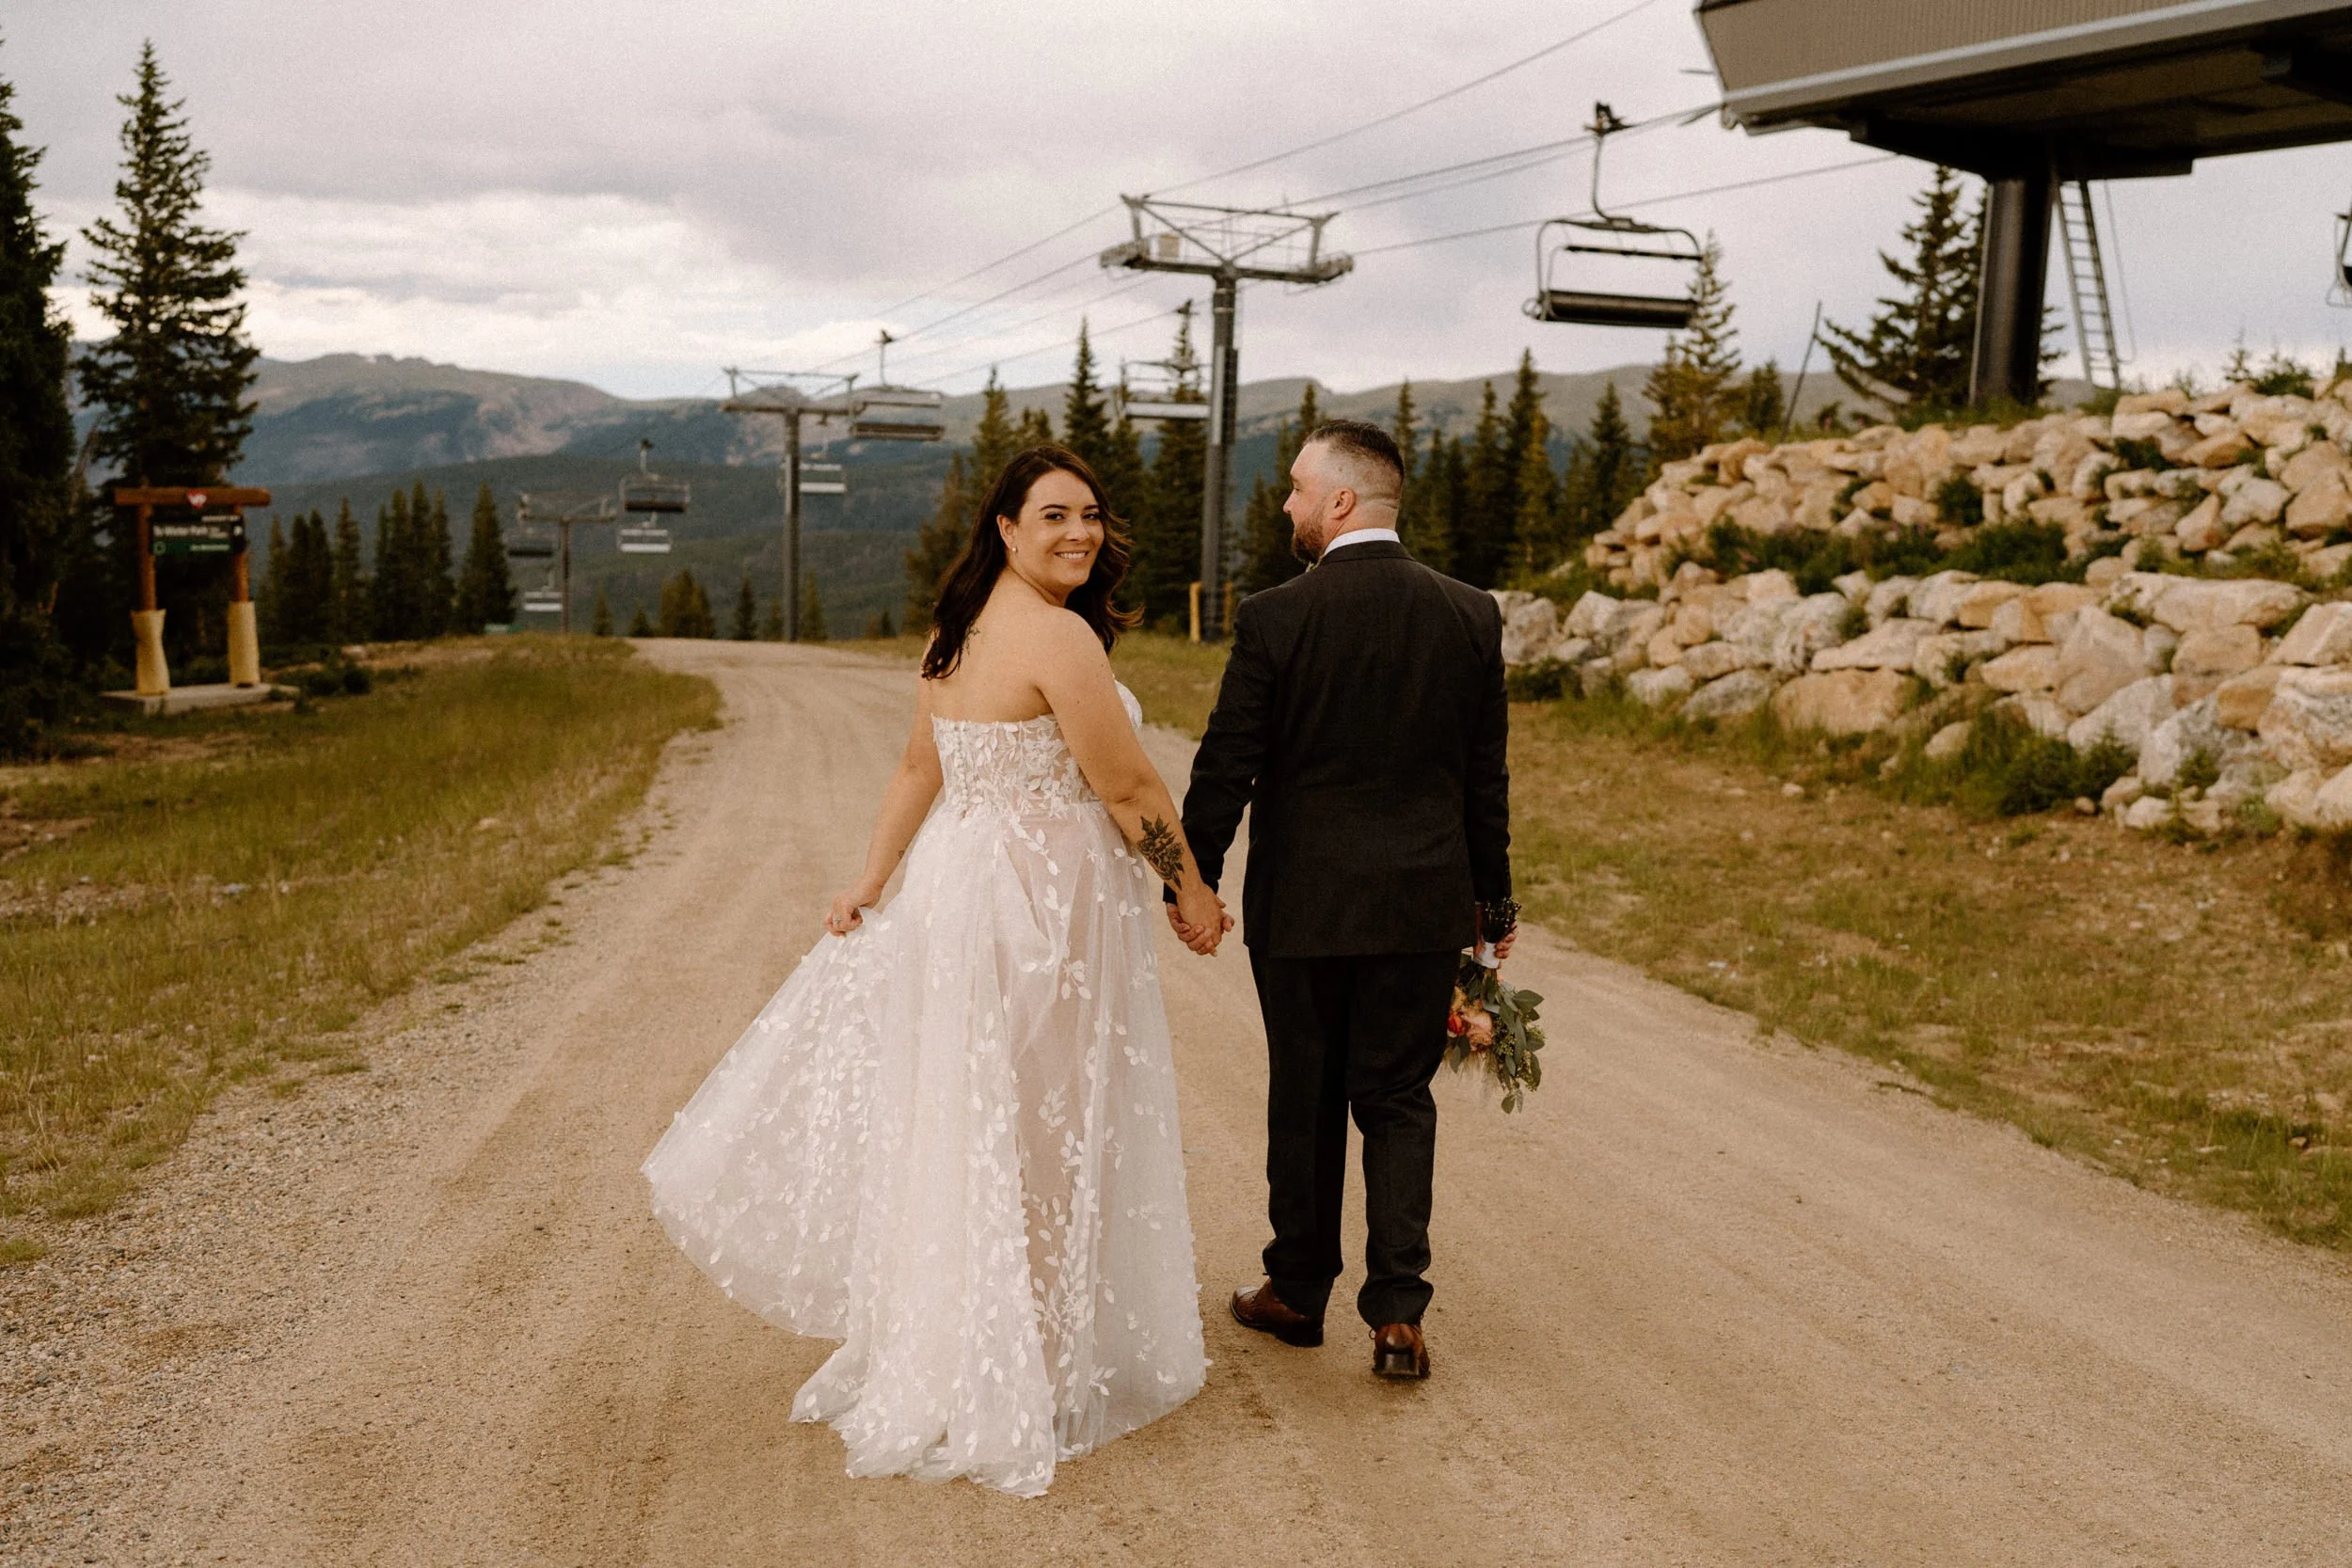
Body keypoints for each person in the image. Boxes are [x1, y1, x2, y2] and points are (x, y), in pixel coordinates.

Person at [644, 446, 1224, 1497]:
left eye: (1090, 515)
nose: (1079, 533)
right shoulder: (1057, 635)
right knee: (1042, 1125)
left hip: (961, 892)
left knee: (975, 1115)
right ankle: (1029, 1355)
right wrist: (1189, 889)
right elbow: (1129, 784)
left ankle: (968, 1339)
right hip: (1038, 907)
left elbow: (922, 764)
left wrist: (874, 879)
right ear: (1005, 527)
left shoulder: (957, 628)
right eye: (1054, 515)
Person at [1173, 418, 1513, 1382]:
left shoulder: (1277, 616)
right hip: (1421, 904)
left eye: (1296, 487)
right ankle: (1398, 1314)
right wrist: (1492, 904)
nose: (1287, 502)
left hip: (1305, 905)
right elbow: (1483, 777)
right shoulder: (1469, 613)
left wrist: (1192, 878)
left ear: (1340, 500)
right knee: (1399, 1097)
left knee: (1308, 1093)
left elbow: (1228, 762)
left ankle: (1296, 1289)